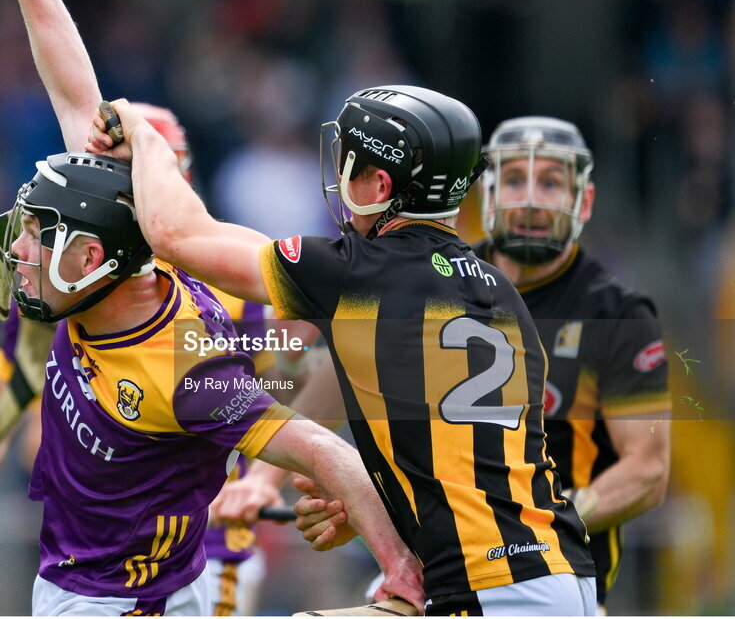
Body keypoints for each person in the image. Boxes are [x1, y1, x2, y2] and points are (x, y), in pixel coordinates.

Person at [0, 0, 424, 617]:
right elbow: (77, 98)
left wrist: (398, 570)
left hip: (130, 601)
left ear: (93, 259)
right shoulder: (126, 243)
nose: (22, 255)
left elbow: (326, 449)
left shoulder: (190, 371)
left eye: (43, 239)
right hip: (72, 581)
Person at [94, 86, 598, 616]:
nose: (338, 179)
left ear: (380, 185)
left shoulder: (358, 273)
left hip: (487, 588)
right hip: (558, 572)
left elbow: (176, 236)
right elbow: (467, 464)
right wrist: (360, 510)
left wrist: (145, 138)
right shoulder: (499, 291)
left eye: (350, 166)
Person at [0, 105, 282, 615]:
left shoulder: (228, 281)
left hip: (204, 553)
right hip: (84, 559)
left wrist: (261, 479)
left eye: (140, 172)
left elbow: (295, 385)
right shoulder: (56, 284)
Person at [477, 116, 671, 611]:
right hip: (440, 571)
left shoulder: (617, 312)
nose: (530, 200)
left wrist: (533, 531)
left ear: (582, 200)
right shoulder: (439, 284)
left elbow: (647, 469)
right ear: (489, 193)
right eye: (516, 179)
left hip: (556, 583)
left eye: (550, 183)